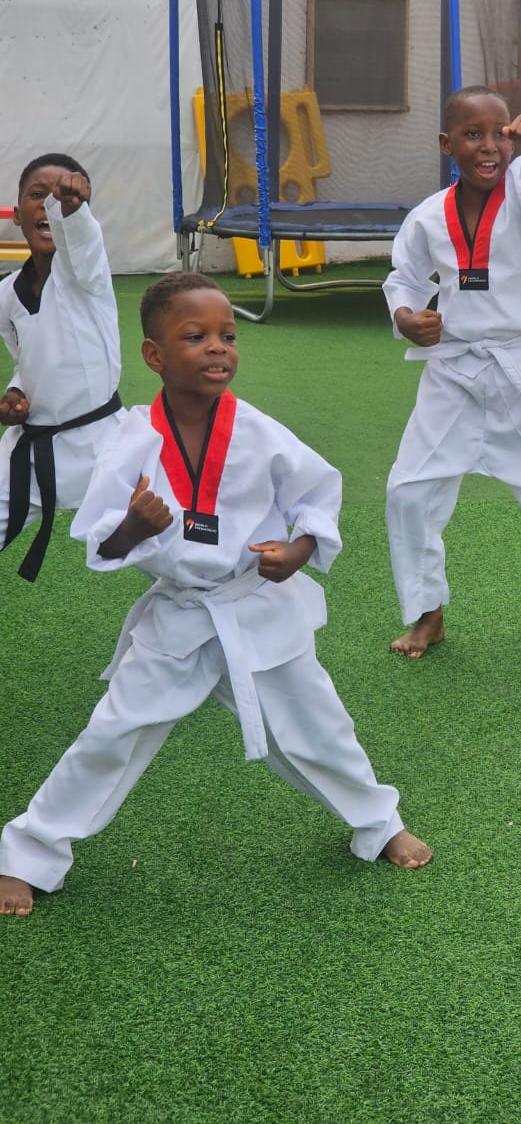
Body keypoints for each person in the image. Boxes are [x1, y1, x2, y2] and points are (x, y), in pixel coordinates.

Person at [0, 272, 430, 916]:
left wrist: (298, 553)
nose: (217, 347)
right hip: (179, 616)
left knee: (317, 725)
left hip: (255, 605)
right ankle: (29, 852)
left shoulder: (258, 431)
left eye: (227, 335)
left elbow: (317, 496)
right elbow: (100, 545)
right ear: (155, 355)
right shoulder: (132, 440)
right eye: (194, 336)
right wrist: (133, 528)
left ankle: (378, 820)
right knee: (112, 734)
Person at [383, 85, 521, 658]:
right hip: (454, 372)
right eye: (472, 134)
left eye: (498, 133)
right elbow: (403, 280)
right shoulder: (428, 217)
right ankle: (427, 614)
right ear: (446, 143)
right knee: (406, 494)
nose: (488, 146)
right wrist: (405, 315)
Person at [0, 153, 123, 581]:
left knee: (169, 535)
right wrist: (15, 394)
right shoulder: (8, 295)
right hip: (32, 448)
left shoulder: (86, 270)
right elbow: (27, 359)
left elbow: (84, 239)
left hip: (107, 447)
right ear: (17, 215)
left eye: (61, 197)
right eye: (38, 196)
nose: (50, 204)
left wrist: (74, 209)